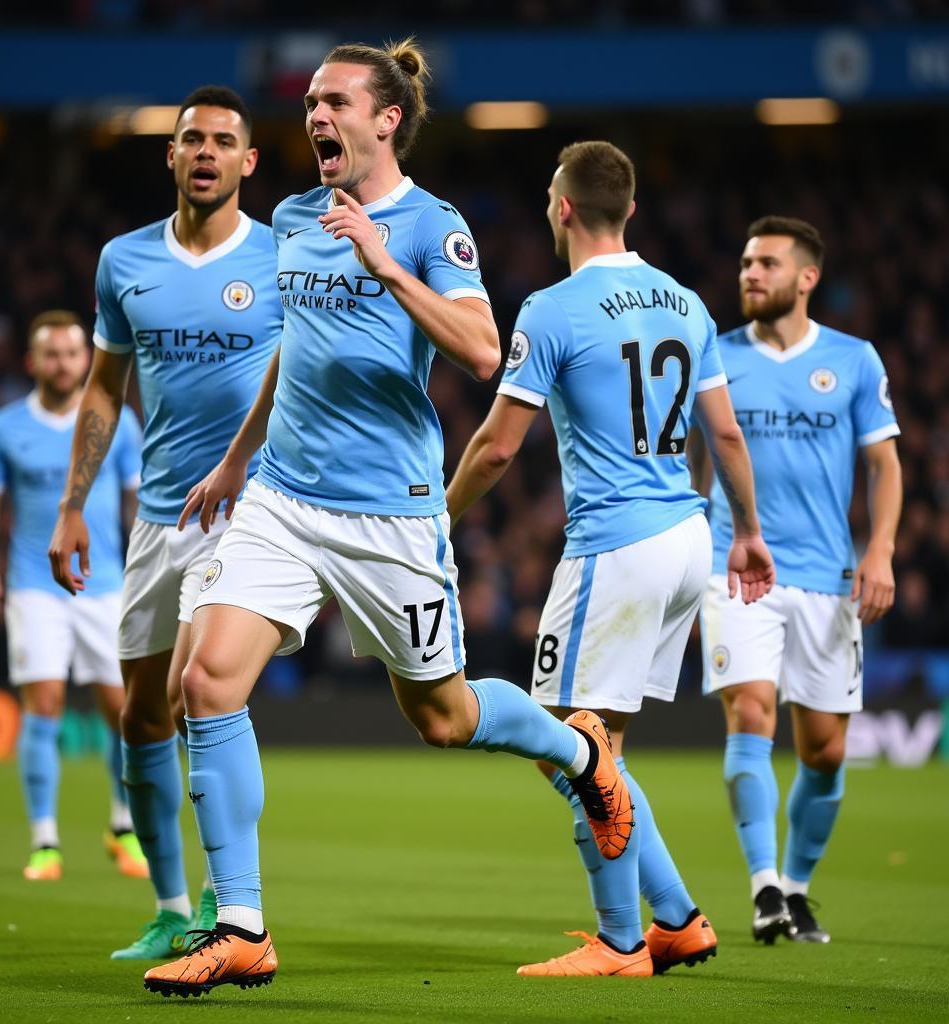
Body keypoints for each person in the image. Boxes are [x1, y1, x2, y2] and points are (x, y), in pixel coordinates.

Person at [143, 41, 631, 999]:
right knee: (204, 680)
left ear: (385, 119)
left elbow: (484, 349)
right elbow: (296, 347)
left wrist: (384, 261)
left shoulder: (431, 227)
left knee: (442, 719)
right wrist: (238, 461)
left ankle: (582, 753)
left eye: (335, 102)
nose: (316, 116)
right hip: (282, 496)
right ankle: (240, 924)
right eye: (312, 103)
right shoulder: (293, 215)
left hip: (388, 514)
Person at [445, 141, 776, 978]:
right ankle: (677, 919)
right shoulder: (687, 303)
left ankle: (622, 940)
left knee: (576, 748)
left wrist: (434, 518)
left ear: (561, 209)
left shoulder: (553, 309)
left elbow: (494, 450)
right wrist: (748, 531)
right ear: (628, 210)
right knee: (601, 753)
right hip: (687, 536)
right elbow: (725, 432)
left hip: (616, 545)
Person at [47, 86, 282, 959]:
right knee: (142, 717)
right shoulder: (124, 261)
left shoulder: (279, 256)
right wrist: (73, 507)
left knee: (200, 690)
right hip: (157, 518)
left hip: (252, 510)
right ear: (172, 156)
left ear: (248, 161)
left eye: (225, 140)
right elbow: (105, 388)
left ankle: (236, 902)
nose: (208, 151)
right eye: (194, 139)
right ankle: (171, 908)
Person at [695, 216, 901, 944]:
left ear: (806, 277)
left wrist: (880, 551)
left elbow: (883, 464)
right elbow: (696, 462)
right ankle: (763, 889)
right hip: (739, 570)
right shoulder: (713, 357)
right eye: (746, 262)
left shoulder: (852, 361)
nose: (750, 273)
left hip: (825, 576)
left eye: (767, 264)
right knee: (751, 715)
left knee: (826, 753)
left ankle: (798, 884)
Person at [0, 310, 145, 882]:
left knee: (123, 712)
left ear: (86, 360)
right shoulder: (4, 428)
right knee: (43, 704)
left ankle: (122, 827)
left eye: (73, 353)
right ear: (32, 362)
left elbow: (138, 503)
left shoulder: (117, 423)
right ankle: (45, 841)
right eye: (53, 354)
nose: (64, 363)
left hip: (107, 584)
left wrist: (151, 569)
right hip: (33, 586)